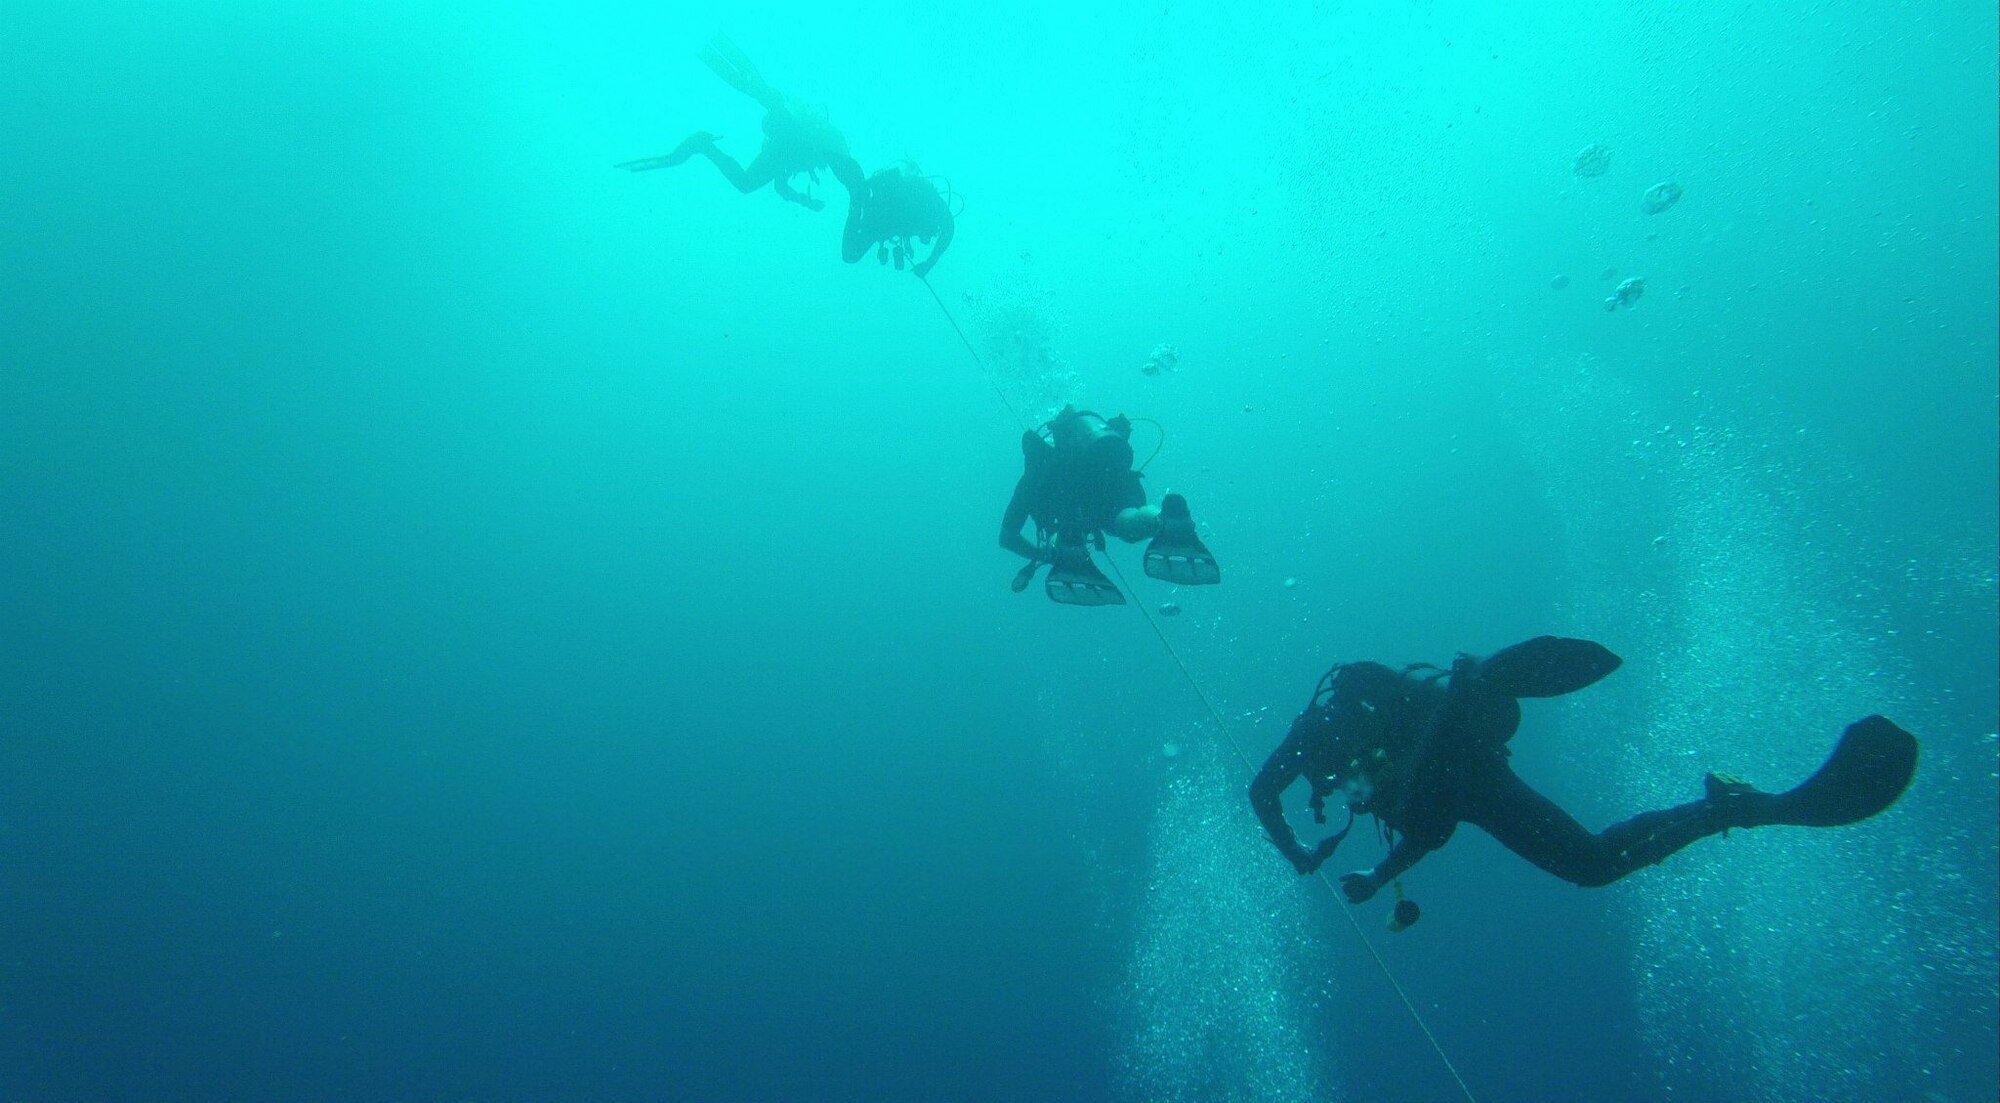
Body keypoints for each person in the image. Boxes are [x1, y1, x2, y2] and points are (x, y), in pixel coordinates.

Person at [1249, 636, 1919, 905]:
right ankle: (1726, 808)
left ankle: (1470, 696)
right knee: (1594, 864)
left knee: (1591, 863)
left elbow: (1263, 794)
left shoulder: (1312, 741)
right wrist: (1370, 874)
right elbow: (1428, 826)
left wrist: (1301, 853)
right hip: (1468, 775)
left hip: (1461, 767)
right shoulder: (1337, 757)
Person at [999, 405, 1221, 605]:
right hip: (1111, 481)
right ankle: (1164, 518)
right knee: (1127, 518)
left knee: (1065, 526)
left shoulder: (1039, 470)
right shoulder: (1097, 453)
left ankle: (1068, 542)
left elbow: (1008, 537)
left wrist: (1044, 555)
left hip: (1069, 504)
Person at [617, 35, 864, 210]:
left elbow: (780, 184)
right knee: (764, 97)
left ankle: (704, 145)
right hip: (784, 135)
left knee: (746, 182)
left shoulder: (810, 155)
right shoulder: (825, 149)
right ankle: (705, 143)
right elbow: (796, 143)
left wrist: (804, 201)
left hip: (779, 146)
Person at [842, 162, 955, 278]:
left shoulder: (927, 209)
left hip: (884, 224)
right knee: (850, 254)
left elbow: (949, 228)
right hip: (881, 216)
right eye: (928, 234)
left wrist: (929, 264)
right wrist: (929, 263)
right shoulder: (930, 200)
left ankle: (856, 202)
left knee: (850, 255)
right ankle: (856, 200)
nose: (925, 238)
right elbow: (949, 226)